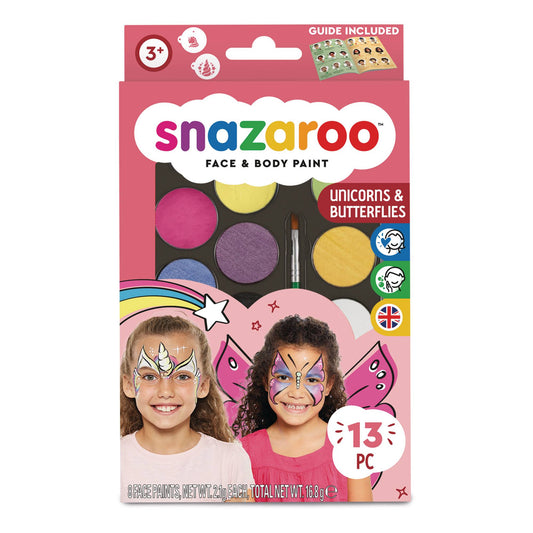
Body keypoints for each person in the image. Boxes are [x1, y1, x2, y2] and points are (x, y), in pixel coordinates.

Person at [233, 315, 372, 502]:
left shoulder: (349, 446)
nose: (296, 393)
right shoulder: (243, 454)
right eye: (283, 377)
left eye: (312, 380)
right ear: (266, 380)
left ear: (329, 385)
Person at [120, 315, 254, 502]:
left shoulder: (230, 461)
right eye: (150, 377)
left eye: (182, 376)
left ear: (203, 386)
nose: (166, 392)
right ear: (128, 385)